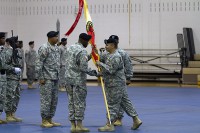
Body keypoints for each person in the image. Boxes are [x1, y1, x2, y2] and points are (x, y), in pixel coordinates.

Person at [96, 37, 142, 132]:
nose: (106, 46)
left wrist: (101, 64)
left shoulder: (116, 56)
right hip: (115, 83)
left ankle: (110, 124)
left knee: (112, 104)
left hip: (115, 84)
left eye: (107, 45)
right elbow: (109, 69)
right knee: (125, 102)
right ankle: (136, 119)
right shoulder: (110, 55)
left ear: (113, 45)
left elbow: (112, 70)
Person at [65, 33, 98, 132]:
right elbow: (83, 67)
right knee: (79, 103)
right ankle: (79, 125)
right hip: (78, 81)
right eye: (87, 41)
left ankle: (72, 126)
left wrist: (91, 54)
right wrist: (96, 73)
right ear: (82, 40)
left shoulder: (70, 47)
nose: (87, 43)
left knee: (71, 102)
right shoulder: (82, 50)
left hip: (68, 79)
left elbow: (78, 61)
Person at [35, 31, 61, 128]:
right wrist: (40, 77)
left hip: (55, 78)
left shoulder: (56, 48)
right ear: (50, 38)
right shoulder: (44, 48)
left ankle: (50, 119)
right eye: (55, 37)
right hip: (46, 79)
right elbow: (39, 63)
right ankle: (44, 120)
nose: (57, 38)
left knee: (54, 100)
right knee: (46, 100)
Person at [109, 35, 133, 126]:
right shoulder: (108, 52)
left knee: (121, 100)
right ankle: (112, 118)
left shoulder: (122, 53)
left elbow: (128, 65)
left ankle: (119, 118)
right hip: (110, 81)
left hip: (120, 80)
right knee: (111, 100)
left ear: (117, 42)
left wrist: (129, 77)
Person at [4, 36, 23, 122]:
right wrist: (13, 68)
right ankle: (8, 114)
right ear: (12, 43)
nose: (18, 43)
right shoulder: (7, 52)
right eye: (16, 42)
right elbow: (4, 65)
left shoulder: (17, 51)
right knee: (9, 96)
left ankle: (13, 113)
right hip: (10, 78)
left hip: (17, 78)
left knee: (16, 96)